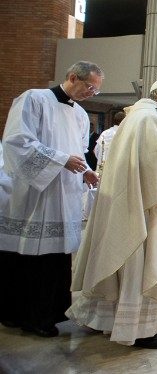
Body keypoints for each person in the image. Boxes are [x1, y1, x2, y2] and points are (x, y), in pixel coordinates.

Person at [67, 78, 157, 349]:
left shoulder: (137, 116)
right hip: (144, 206)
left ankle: (103, 318)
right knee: (142, 261)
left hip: (129, 201)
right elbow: (156, 164)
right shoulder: (151, 119)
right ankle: (139, 328)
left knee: (122, 259)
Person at [0, 60, 102, 337]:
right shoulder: (34, 99)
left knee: (56, 259)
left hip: (64, 195)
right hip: (36, 195)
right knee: (33, 258)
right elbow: (16, 142)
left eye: (96, 90)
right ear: (72, 77)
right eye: (89, 87)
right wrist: (59, 160)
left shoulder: (80, 114)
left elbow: (78, 154)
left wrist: (86, 172)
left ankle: (52, 312)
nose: (92, 93)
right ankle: (28, 316)